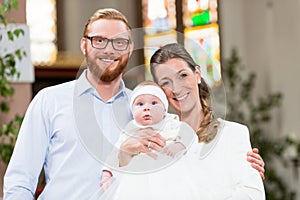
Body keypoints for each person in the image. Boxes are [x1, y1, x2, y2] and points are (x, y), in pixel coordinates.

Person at [3, 8, 264, 200]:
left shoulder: (147, 110)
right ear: (84, 45)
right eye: (99, 40)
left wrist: (242, 165)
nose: (110, 49)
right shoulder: (49, 101)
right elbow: (19, 182)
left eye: (120, 42)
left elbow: (185, 166)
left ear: (129, 50)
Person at [107, 43, 265, 199]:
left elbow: (253, 195)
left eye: (182, 75)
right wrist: (124, 155)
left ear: (197, 74)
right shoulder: (151, 139)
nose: (176, 88)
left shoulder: (232, 134)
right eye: (166, 82)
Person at [101, 81, 195, 182]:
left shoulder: (170, 122)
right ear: (132, 111)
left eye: (154, 103)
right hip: (139, 178)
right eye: (140, 104)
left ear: (164, 110)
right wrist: (107, 172)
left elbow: (188, 132)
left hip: (170, 174)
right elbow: (116, 151)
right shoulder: (130, 128)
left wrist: (180, 145)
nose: (146, 108)